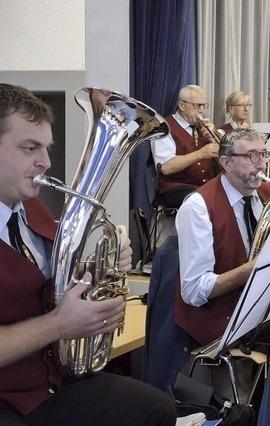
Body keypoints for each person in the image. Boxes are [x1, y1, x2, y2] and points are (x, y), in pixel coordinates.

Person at [0, 84, 175, 425]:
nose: (46, 162)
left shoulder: (32, 209)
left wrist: (100, 269)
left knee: (156, 409)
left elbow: (45, 286)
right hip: (6, 398)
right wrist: (57, 325)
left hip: (51, 383)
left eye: (47, 148)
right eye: (29, 148)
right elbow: (53, 316)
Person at [174, 128, 270, 348]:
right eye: (251, 156)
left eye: (264, 154)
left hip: (267, 302)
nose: (262, 164)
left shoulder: (267, 195)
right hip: (228, 317)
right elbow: (193, 291)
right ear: (226, 163)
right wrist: (254, 267)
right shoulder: (198, 207)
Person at [152, 84, 222, 208]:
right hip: (177, 188)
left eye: (204, 106)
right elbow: (166, 167)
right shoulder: (164, 128)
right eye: (197, 106)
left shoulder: (205, 128)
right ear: (182, 105)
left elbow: (229, 161)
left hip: (208, 186)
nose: (201, 111)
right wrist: (200, 154)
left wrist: (213, 137)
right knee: (202, 200)